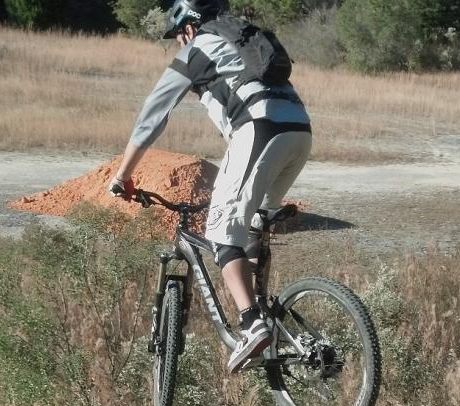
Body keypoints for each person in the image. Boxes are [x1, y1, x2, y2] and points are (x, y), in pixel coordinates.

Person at [109, 0, 312, 374]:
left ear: (189, 25)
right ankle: (265, 312)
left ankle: (252, 324)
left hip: (259, 129)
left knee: (220, 235)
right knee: (252, 224)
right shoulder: (243, 39)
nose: (177, 43)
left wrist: (122, 176)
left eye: (177, 35)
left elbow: (151, 117)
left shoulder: (197, 47)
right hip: (299, 131)